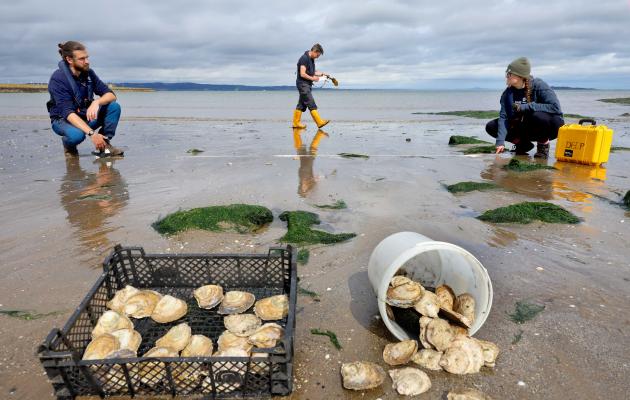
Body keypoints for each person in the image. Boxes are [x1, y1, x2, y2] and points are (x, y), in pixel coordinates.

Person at [47, 41, 123, 157]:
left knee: (114, 107)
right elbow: (67, 113)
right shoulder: (58, 79)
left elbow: (111, 95)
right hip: (63, 120)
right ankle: (69, 147)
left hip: (84, 115)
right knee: (77, 136)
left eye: (87, 57)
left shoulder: (89, 74)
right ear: (69, 60)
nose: (87, 61)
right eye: (82, 59)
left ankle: (104, 144)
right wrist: (92, 134)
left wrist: (97, 102)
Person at [485, 57, 564, 159]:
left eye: (509, 74)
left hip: (551, 126)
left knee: (536, 115)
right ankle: (523, 144)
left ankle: (542, 147)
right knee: (491, 126)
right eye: (507, 74)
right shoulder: (507, 93)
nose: (506, 76)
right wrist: (500, 142)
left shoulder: (539, 85)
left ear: (520, 76)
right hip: (526, 127)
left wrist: (526, 107)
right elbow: (503, 117)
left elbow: (555, 108)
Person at [292, 43, 330, 129]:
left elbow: (312, 72)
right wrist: (313, 78)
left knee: (301, 105)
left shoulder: (311, 59)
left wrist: (323, 74)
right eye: (318, 55)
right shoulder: (304, 58)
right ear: (314, 51)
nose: (317, 57)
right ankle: (319, 122)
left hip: (307, 84)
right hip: (302, 84)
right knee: (310, 102)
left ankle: (296, 123)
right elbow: (302, 74)